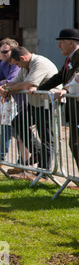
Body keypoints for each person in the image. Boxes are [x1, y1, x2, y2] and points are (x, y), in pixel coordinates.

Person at [0, 46, 59, 173]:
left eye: (18, 64)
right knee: (18, 122)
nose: (18, 67)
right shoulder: (25, 66)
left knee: (46, 137)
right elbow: (14, 83)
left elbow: (27, 84)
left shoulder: (39, 63)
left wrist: (9, 89)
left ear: (22, 58)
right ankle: (37, 152)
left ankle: (43, 173)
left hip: (47, 103)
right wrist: (3, 88)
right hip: (35, 103)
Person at [36, 28, 79, 167]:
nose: (58, 46)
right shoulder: (70, 58)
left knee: (76, 143)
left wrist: (65, 89)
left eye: (61, 42)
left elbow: (76, 76)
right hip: (74, 106)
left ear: (71, 43)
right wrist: (38, 89)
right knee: (74, 143)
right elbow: (59, 77)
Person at [0, 38, 21, 164]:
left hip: (20, 103)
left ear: (13, 51)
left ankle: (23, 161)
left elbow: (11, 81)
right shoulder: (3, 63)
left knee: (20, 132)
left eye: (3, 52)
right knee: (4, 128)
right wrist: (1, 84)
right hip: (7, 102)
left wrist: (2, 83)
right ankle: (0, 157)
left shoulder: (16, 64)